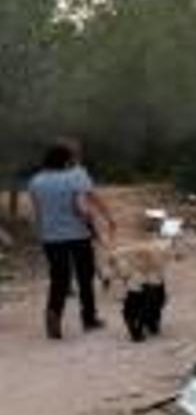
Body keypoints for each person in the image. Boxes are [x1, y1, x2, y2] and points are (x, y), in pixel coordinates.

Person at [26, 141, 116, 339]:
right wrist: (98, 220)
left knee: (59, 278)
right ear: (67, 160)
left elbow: (38, 212)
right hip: (77, 235)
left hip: (51, 237)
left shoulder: (36, 181)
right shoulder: (75, 177)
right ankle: (89, 318)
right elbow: (82, 207)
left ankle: (53, 315)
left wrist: (42, 233)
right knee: (85, 277)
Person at [104, 239, 171, 341]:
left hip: (138, 266)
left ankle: (141, 325)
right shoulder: (155, 252)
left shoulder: (156, 254)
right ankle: (145, 325)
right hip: (139, 266)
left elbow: (112, 262)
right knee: (148, 295)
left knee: (143, 296)